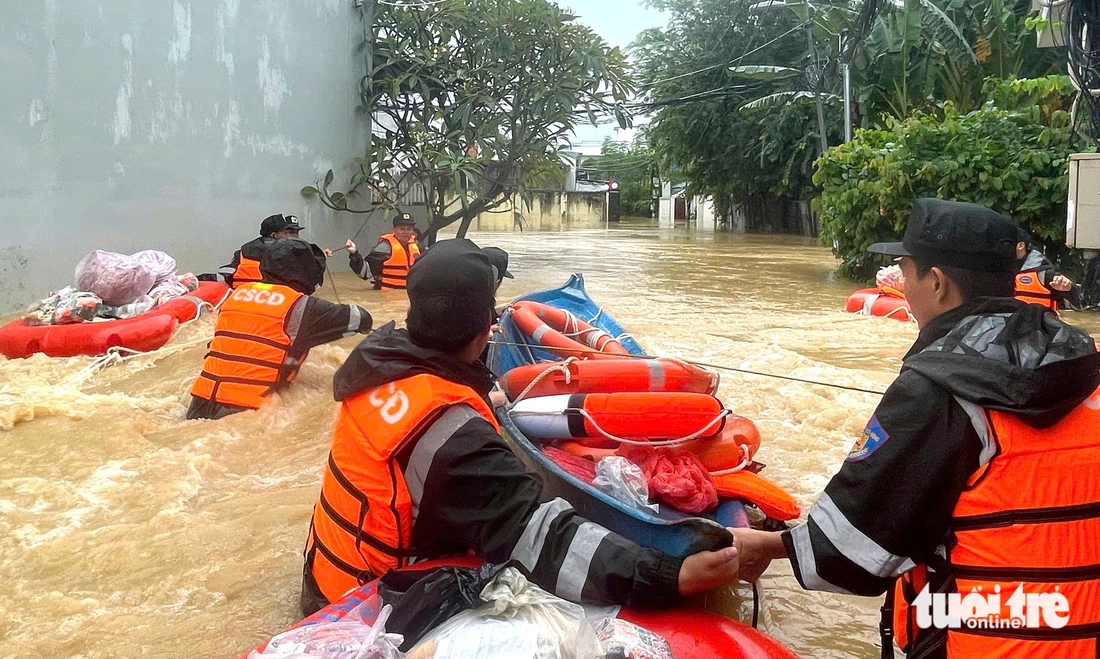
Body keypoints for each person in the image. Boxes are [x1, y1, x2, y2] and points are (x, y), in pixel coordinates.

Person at [733, 199, 1100, 659]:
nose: (903, 287)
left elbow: (853, 553)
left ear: (938, 283)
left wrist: (769, 545)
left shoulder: (937, 391)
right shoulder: (1088, 365)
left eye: (906, 273)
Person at [299, 238, 741, 616]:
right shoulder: (450, 433)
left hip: (326, 573)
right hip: (362, 607)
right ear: (483, 331)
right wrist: (670, 576)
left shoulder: (377, 369)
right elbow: (542, 538)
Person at [187, 238, 373, 420]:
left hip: (198, 405)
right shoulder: (303, 306)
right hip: (245, 413)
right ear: (307, 272)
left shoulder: (237, 295)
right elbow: (361, 318)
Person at [199, 214, 331, 289]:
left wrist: (194, 280)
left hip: (243, 299)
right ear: (274, 235)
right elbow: (310, 283)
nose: (295, 237)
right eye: (289, 232)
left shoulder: (244, 251)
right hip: (276, 306)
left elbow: (226, 276)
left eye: (296, 233)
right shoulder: (287, 256)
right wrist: (318, 257)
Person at [345, 212, 421, 290]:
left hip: (412, 296)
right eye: (402, 229)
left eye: (409, 229)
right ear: (393, 229)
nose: (406, 232)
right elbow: (364, 272)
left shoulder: (418, 247)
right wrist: (354, 253)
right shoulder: (385, 248)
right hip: (388, 296)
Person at [1014, 228, 1080, 311]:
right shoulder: (998, 269)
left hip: (1037, 321)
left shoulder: (1045, 274)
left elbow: (1077, 308)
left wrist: (1068, 290)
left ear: (1020, 246)